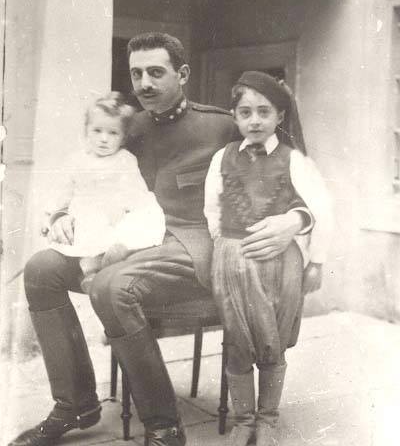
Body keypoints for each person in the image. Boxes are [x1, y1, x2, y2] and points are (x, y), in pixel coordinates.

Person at [9, 33, 312, 446]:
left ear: (182, 74)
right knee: (41, 269)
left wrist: (294, 220)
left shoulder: (222, 125)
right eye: (136, 74)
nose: (144, 83)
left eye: (155, 72)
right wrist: (61, 215)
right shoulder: (125, 125)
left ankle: (164, 427)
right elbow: (85, 172)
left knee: (111, 286)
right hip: (125, 237)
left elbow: (294, 173)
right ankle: (74, 404)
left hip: (191, 246)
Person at [204, 71, 333, 446]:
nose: (255, 120)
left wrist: (316, 261)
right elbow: (211, 207)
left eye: (264, 111)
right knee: (237, 339)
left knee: (272, 340)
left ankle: (268, 419)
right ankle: (244, 419)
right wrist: (223, 245)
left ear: (280, 115)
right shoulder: (222, 157)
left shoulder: (294, 161)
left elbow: (322, 208)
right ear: (235, 116)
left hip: (280, 265)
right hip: (233, 259)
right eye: (245, 112)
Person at [43, 92, 165, 290]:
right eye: (97, 131)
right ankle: (90, 274)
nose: (104, 139)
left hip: (116, 212)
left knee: (134, 224)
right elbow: (63, 192)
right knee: (90, 229)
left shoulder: (125, 159)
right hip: (87, 213)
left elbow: (135, 190)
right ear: (86, 131)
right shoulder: (77, 160)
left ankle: (115, 259)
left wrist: (132, 211)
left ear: (123, 138)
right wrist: (51, 216)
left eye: (113, 133)